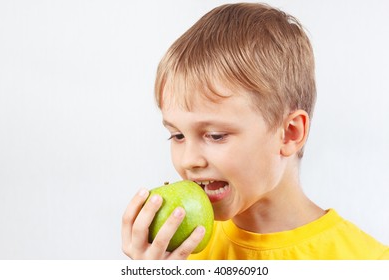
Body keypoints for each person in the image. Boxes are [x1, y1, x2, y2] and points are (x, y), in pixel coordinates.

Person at [121, 2, 389, 260]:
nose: (189, 160)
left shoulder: (366, 262)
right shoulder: (176, 252)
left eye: (215, 135)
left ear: (290, 133)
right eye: (177, 135)